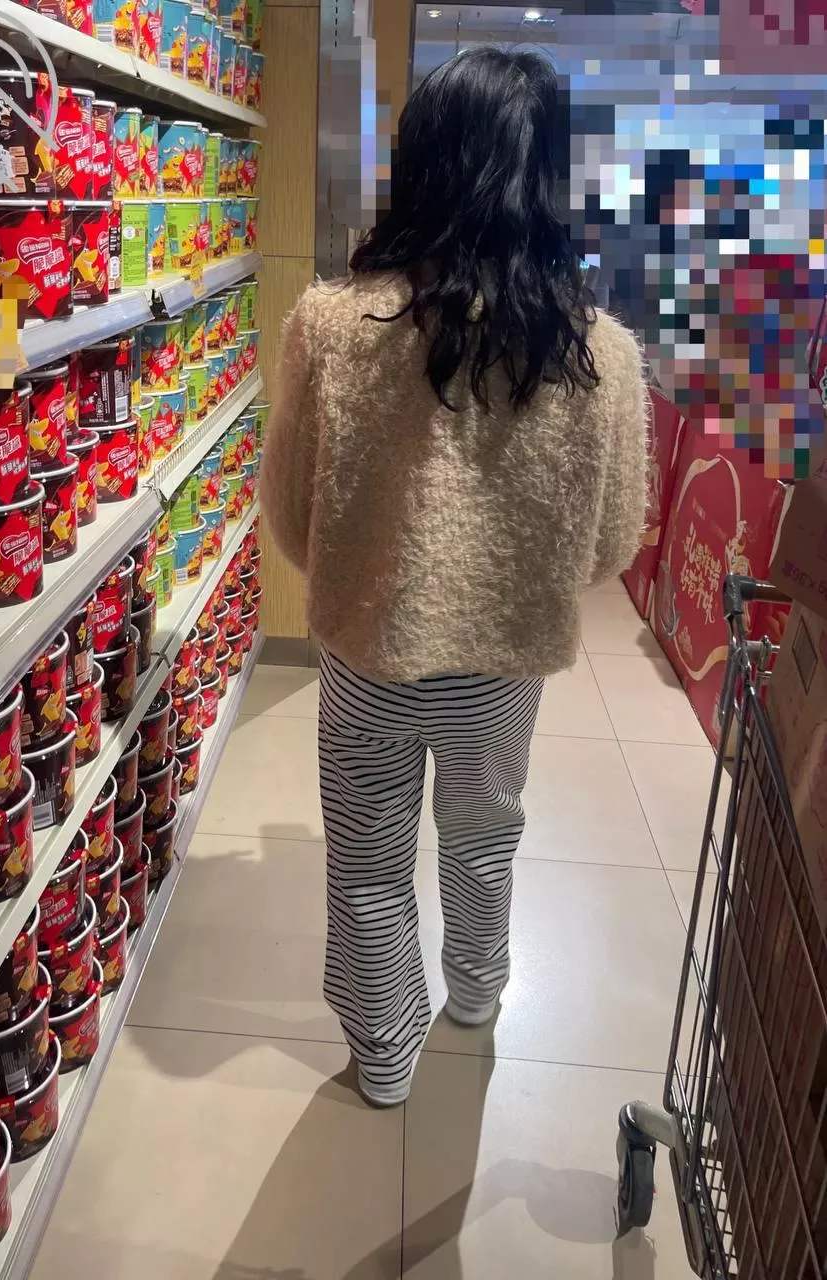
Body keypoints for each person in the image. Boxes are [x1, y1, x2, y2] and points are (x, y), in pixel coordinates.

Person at [260, 46, 649, 1108]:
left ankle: (383, 1053)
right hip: (501, 665)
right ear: (550, 175)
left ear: (420, 162)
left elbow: (289, 515)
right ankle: (477, 992)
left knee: (367, 858)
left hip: (367, 652)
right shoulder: (601, 353)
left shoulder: (331, 326)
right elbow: (612, 544)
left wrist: (371, 567)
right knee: (485, 834)